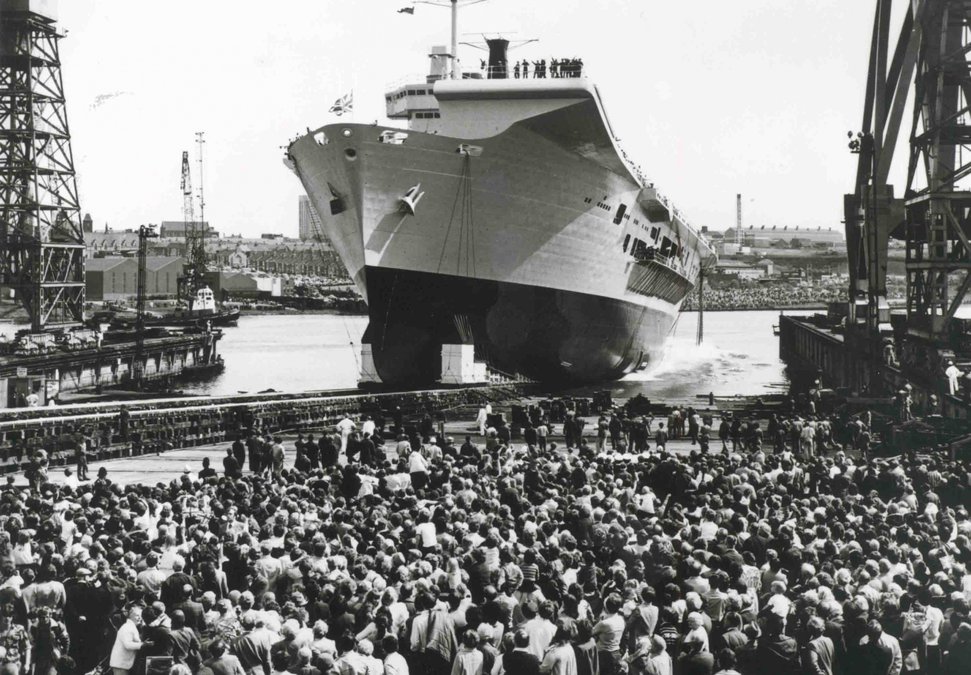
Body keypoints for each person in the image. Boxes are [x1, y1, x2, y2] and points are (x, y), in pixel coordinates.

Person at [109, 606, 148, 675]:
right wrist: (142, 644)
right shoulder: (127, 627)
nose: (140, 618)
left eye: (140, 616)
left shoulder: (131, 626)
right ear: (130, 616)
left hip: (123, 664)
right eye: (137, 615)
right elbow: (127, 645)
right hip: (120, 665)